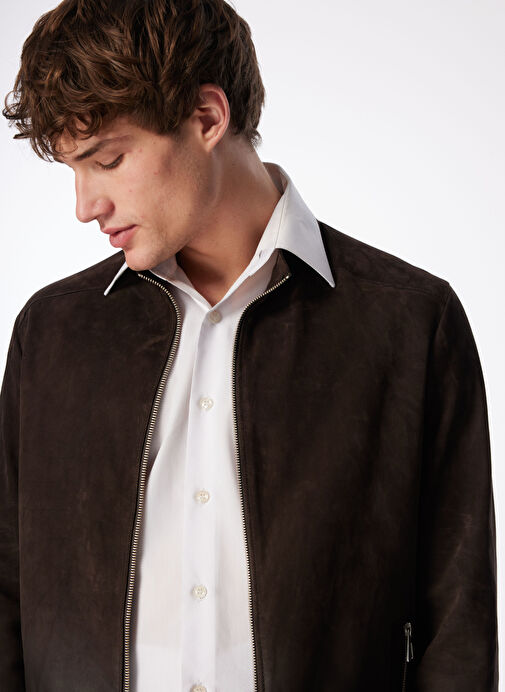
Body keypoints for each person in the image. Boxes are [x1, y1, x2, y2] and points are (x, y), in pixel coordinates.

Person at [0, 0, 498, 690]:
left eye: (108, 160)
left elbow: (458, 627)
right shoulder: (53, 332)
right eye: (72, 170)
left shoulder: (410, 322)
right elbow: (8, 597)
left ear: (207, 117)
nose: (85, 206)